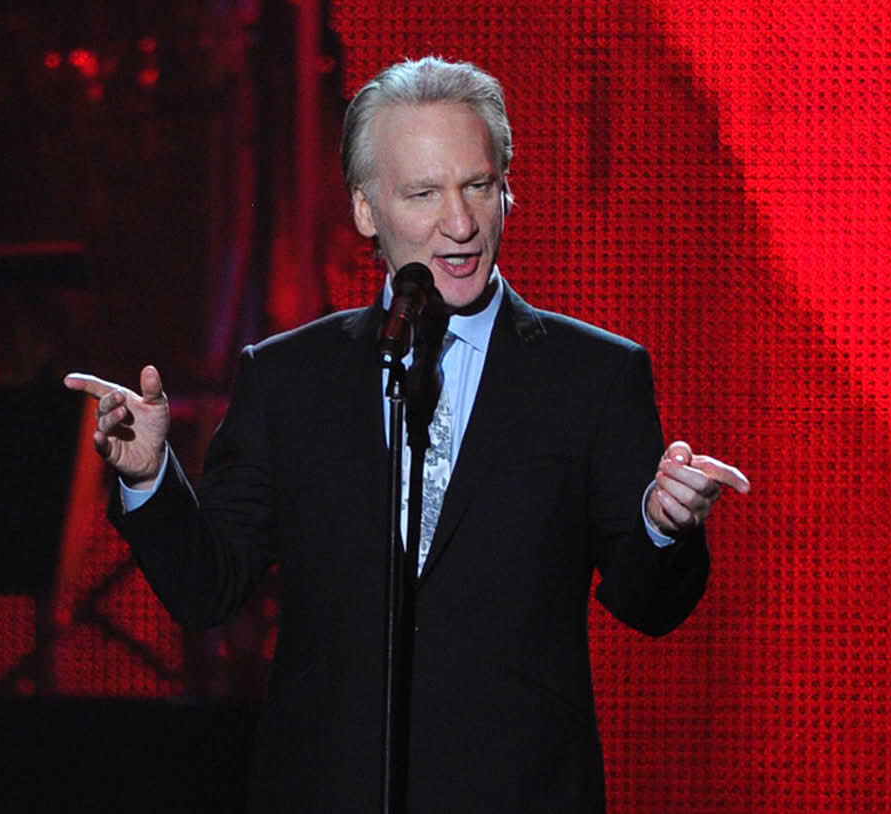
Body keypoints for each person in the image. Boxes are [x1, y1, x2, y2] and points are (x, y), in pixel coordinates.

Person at [65, 56, 749, 813]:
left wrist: (662, 527)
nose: (459, 224)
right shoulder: (291, 379)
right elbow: (209, 586)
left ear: (505, 190)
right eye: (424, 193)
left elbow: (647, 604)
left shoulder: (592, 375)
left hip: (518, 791)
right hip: (330, 788)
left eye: (478, 186)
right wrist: (149, 477)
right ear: (366, 210)